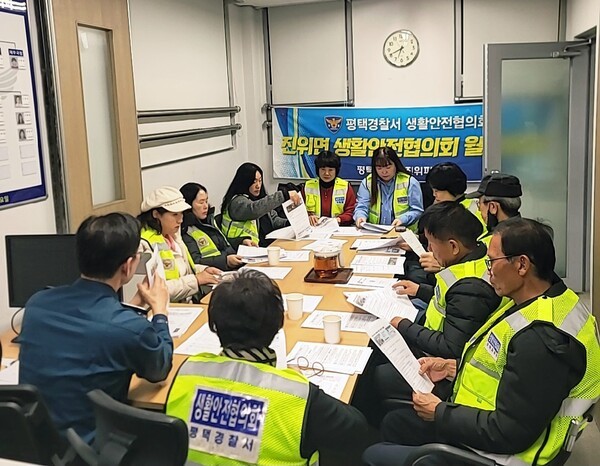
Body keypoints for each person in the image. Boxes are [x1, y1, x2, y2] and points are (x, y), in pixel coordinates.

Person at [363, 218, 600, 466]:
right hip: (482, 416)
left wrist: (440, 413)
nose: (488, 271)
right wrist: (452, 367)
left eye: (492, 262)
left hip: (500, 456)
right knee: (395, 423)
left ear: (521, 265)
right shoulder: (547, 300)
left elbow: (510, 432)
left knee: (373, 455)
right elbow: (509, 369)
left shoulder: (542, 340)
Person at [166, 269, 370, 465]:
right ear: (279, 323)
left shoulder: (187, 371)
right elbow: (358, 429)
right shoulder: (296, 393)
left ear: (214, 325)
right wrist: (302, 381)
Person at [18, 213, 174, 442]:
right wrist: (160, 312)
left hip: (36, 443)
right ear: (128, 266)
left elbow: (94, 328)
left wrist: (133, 306)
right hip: (91, 447)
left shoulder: (37, 304)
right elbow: (159, 368)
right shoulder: (130, 329)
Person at [138, 186, 220, 302]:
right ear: (156, 214)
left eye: (181, 214)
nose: (180, 220)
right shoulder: (143, 245)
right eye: (175, 214)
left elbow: (182, 270)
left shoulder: (173, 236)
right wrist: (196, 280)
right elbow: (154, 290)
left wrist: (203, 270)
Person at [221, 162, 301, 247]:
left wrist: (289, 223)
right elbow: (254, 210)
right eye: (254, 181)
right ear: (244, 182)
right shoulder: (237, 202)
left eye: (260, 180)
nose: (258, 186)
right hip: (244, 249)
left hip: (266, 245)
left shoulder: (259, 198)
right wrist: (283, 195)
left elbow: (273, 220)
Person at [353, 146, 423, 230]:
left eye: (388, 167)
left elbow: (417, 211)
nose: (384, 172)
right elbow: (362, 206)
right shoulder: (367, 183)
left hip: (403, 231)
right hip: (374, 232)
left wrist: (403, 219)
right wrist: (360, 216)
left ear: (395, 165)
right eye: (379, 168)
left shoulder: (410, 182)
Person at [180, 182, 243, 271]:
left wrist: (242, 241)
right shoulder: (185, 231)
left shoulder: (209, 221)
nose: (205, 206)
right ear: (188, 205)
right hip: (213, 274)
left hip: (228, 269)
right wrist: (225, 261)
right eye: (201, 202)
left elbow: (221, 243)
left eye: (206, 201)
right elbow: (195, 262)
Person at [303, 150, 357, 226]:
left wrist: (339, 219)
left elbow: (351, 212)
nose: (326, 173)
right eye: (323, 169)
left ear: (336, 170)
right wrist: (308, 217)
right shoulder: (308, 186)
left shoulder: (345, 187)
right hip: (313, 228)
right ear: (318, 170)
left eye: (330, 170)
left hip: (339, 227)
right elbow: (299, 212)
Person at [465, 173, 521, 245]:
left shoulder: (490, 245)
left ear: (493, 207)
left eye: (479, 203)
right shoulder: (532, 233)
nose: (479, 209)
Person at [426, 162, 484, 227]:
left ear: (451, 188)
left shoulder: (478, 209)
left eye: (437, 191)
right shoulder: (435, 209)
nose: (434, 194)